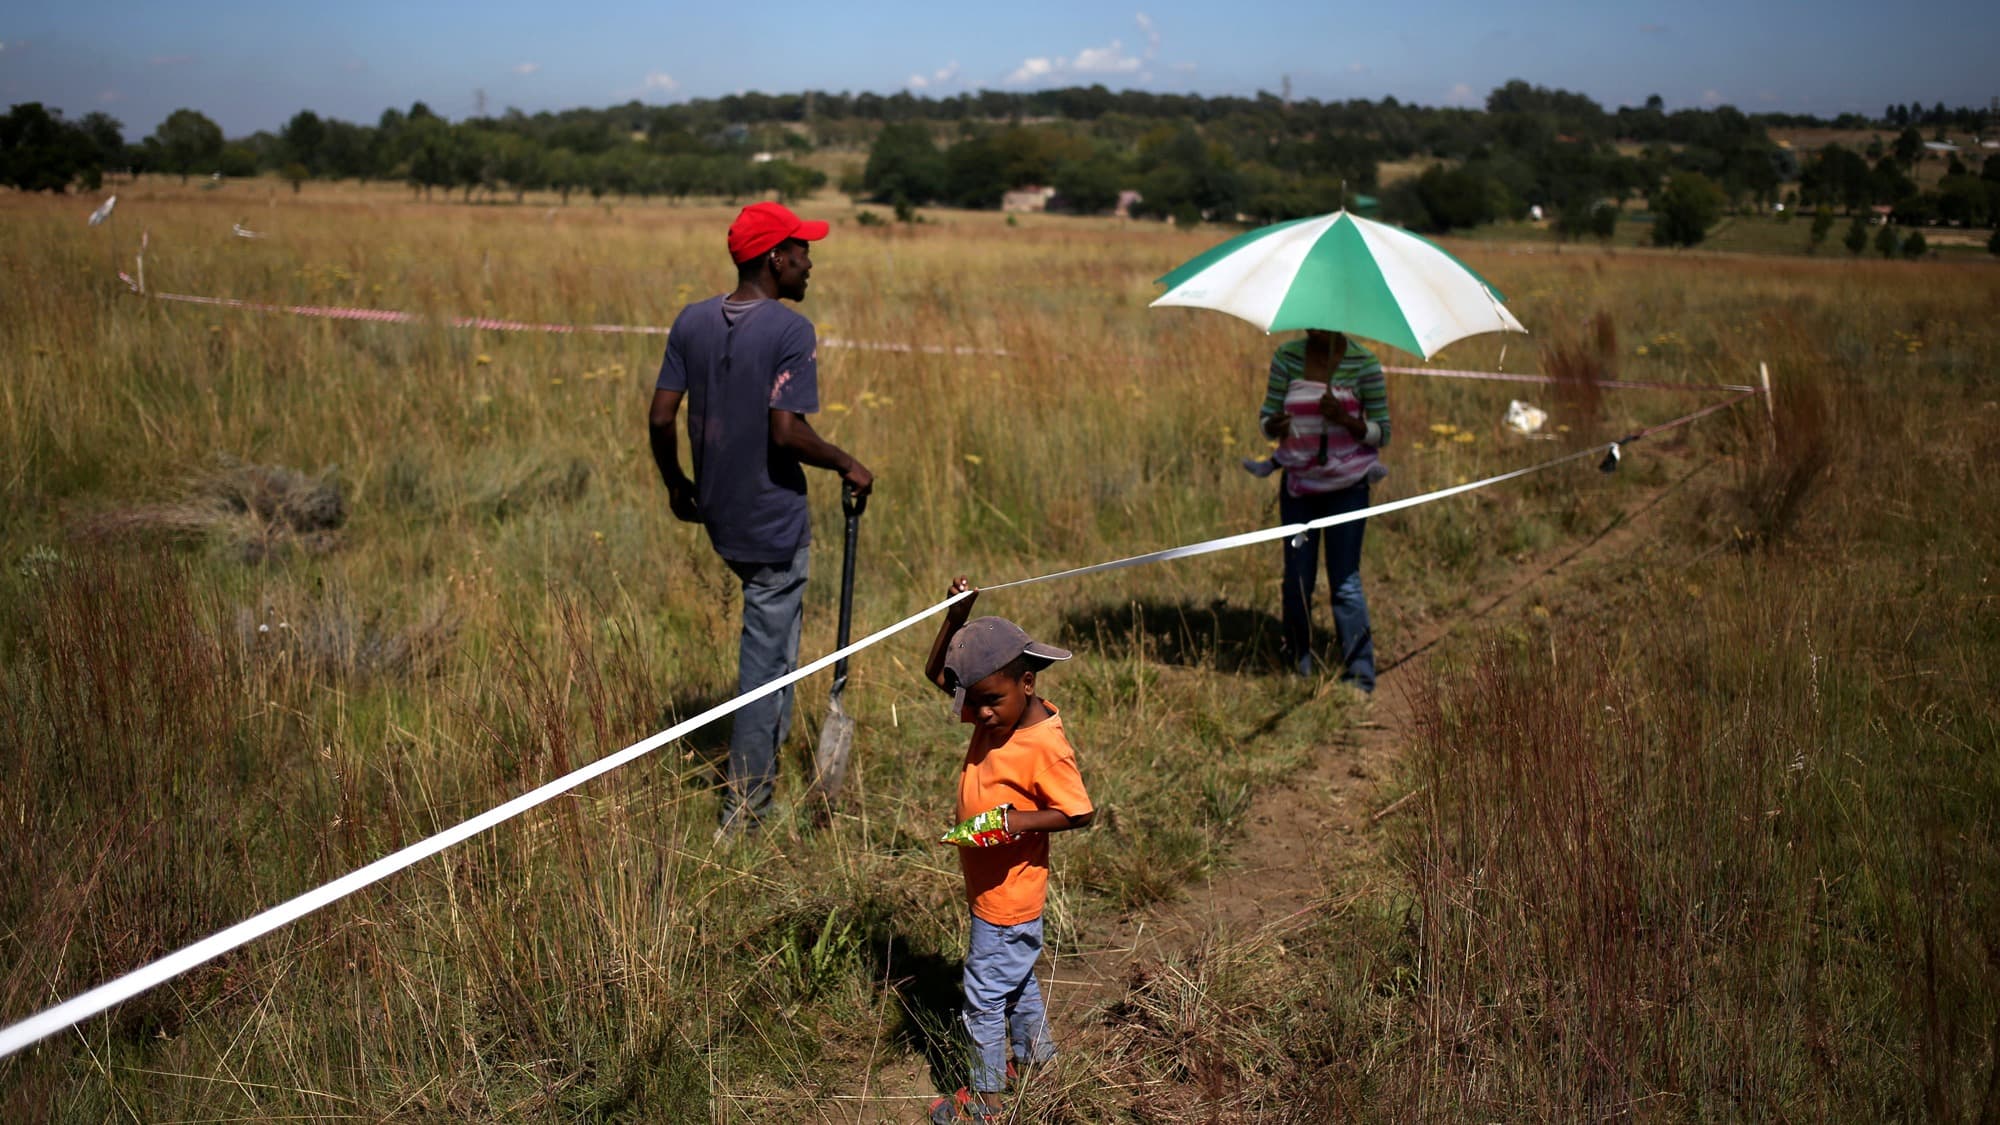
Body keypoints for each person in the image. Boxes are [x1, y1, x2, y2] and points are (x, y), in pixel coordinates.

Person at [648, 201, 874, 834]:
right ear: (776, 259)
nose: (810, 263)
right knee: (766, 664)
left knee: (772, 655)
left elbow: (662, 417)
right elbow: (785, 432)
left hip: (719, 512)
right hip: (772, 518)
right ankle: (744, 813)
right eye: (802, 251)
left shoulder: (692, 320)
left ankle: (756, 787)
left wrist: (676, 486)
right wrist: (847, 463)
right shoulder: (789, 331)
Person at [923, 579, 1094, 1123]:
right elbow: (938, 676)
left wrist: (1016, 822)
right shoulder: (997, 706)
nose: (979, 715)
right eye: (970, 703)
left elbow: (1079, 811)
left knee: (982, 997)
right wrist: (955, 617)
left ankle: (987, 1103)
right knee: (1014, 982)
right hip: (995, 893)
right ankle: (1040, 1064)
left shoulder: (1042, 743)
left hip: (1007, 898)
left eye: (990, 702)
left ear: (1026, 681)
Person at [1255, 329, 1391, 690]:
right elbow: (1267, 419)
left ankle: (1360, 675)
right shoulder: (1286, 358)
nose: (1316, 327)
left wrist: (1348, 420)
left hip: (1348, 491)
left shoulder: (1365, 364)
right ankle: (1297, 664)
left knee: (1345, 582)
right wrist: (1276, 425)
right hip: (1299, 490)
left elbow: (1383, 432)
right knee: (1297, 578)